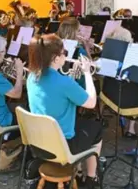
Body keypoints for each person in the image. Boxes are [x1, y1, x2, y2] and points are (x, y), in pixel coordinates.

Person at [27, 34, 101, 188]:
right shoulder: (63, 82)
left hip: (38, 143)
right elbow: (91, 103)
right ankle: (91, 177)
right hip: (62, 145)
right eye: (64, 53)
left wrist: (71, 82)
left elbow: (56, 95)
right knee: (97, 128)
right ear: (55, 58)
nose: (66, 56)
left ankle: (78, 171)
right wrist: (87, 73)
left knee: (83, 125)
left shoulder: (32, 75)